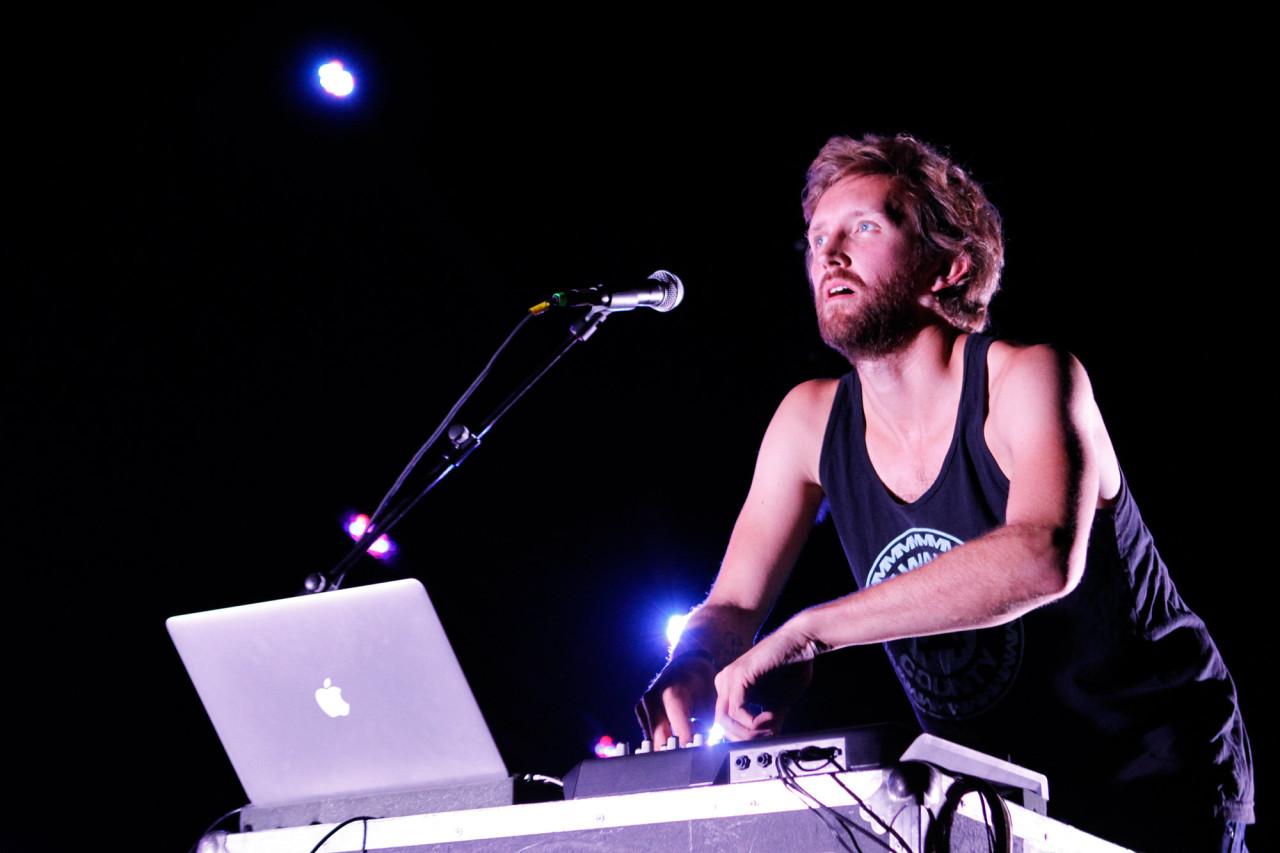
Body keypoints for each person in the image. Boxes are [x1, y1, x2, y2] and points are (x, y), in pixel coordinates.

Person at [636, 134, 1253, 851]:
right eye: (816, 239)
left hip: (1150, 775)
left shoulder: (1030, 377)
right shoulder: (808, 420)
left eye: (864, 228)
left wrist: (812, 630)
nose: (829, 255)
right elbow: (732, 606)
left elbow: (1042, 555)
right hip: (992, 794)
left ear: (948, 265)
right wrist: (690, 666)